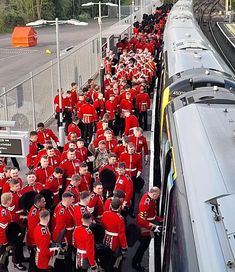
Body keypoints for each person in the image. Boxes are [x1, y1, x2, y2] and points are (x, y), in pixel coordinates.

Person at [132, 187, 162, 271]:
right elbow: (142, 221)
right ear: (154, 194)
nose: (158, 197)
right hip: (145, 228)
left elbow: (151, 213)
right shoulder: (145, 204)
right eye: (158, 195)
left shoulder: (148, 198)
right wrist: (154, 227)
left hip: (149, 223)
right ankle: (136, 262)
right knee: (143, 247)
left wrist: (158, 219)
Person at [101, 198, 128, 270]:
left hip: (105, 238)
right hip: (115, 242)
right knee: (113, 259)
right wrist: (124, 247)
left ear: (110, 206)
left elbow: (102, 226)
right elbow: (121, 234)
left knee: (106, 257)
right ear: (119, 207)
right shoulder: (120, 218)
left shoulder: (105, 214)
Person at [27, 194, 46, 272]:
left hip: (39, 239)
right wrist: (34, 243)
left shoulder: (40, 208)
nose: (45, 202)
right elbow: (32, 230)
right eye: (43, 202)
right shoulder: (34, 214)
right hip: (34, 241)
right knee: (33, 259)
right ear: (38, 202)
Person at [0, 192, 12, 271]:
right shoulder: (4, 215)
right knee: (4, 258)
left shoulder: (2, 209)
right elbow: (2, 231)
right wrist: (6, 243)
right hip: (2, 242)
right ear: (8, 201)